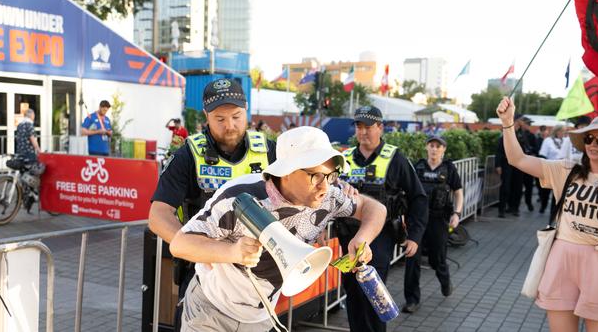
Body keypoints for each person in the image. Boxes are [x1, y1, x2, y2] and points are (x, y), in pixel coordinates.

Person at [169, 126, 388, 331]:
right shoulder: (239, 197)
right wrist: (232, 252)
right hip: (210, 310)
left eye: (331, 175)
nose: (325, 186)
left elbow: (374, 208)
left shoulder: (328, 195)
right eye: (316, 176)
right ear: (286, 172)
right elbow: (180, 244)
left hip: (261, 316)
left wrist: (363, 238)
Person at [148, 78, 277, 329]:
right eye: (220, 119)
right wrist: (195, 247)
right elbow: (158, 214)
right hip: (203, 276)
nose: (230, 125)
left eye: (237, 116)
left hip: (255, 280)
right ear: (206, 116)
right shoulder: (189, 154)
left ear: (247, 110)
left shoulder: (269, 151)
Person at [495, 97, 598, 332]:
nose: (594, 144)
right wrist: (507, 123)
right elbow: (518, 159)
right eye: (589, 138)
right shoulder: (567, 171)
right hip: (562, 258)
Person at [336, 105, 428, 331]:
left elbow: (418, 198)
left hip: (380, 238)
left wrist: (414, 235)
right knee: (354, 295)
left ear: (380, 128)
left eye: (368, 127)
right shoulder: (344, 158)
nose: (363, 132)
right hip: (347, 238)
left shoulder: (395, 159)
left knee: (373, 293)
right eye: (359, 126)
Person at [404, 135, 463, 311]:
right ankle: (412, 300)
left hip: (439, 219)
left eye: (438, 146)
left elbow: (458, 192)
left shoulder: (449, 168)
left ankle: (445, 282)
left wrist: (457, 213)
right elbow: (407, 191)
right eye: (431, 145)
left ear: (443, 149)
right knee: (412, 258)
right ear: (427, 147)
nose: (434, 149)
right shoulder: (418, 167)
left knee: (437, 258)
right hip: (418, 219)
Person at [495, 114, 531, 218]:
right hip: (507, 164)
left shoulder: (522, 134)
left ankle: (514, 208)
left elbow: (526, 148)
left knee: (518, 187)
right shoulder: (506, 132)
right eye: (520, 120)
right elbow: (499, 150)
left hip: (519, 165)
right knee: (505, 187)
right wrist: (498, 165)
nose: (522, 122)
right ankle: (501, 209)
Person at [537, 125, 566, 214]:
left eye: (564, 132)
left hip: (561, 170)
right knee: (545, 192)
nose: (563, 134)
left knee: (557, 193)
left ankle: (554, 211)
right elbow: (542, 155)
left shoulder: (565, 141)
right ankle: (543, 205)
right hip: (549, 169)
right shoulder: (548, 141)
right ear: (557, 131)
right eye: (562, 131)